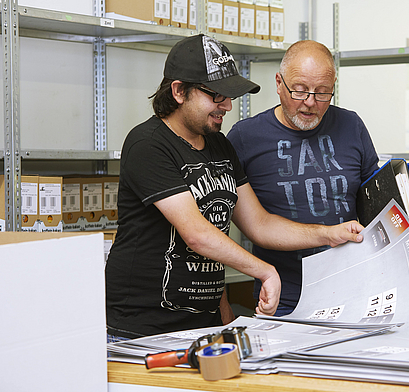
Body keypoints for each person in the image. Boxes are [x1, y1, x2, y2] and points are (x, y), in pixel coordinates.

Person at [105, 34, 365, 341]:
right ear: (179, 91)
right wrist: (265, 270)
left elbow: (259, 223)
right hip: (141, 329)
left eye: (229, 96)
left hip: (203, 324)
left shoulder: (219, 145)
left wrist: (326, 233)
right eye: (216, 95)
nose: (227, 106)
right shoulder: (148, 144)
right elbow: (198, 234)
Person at [227, 40, 380, 316]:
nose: (310, 103)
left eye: (323, 93)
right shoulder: (244, 138)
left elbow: (375, 200)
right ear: (279, 83)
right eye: (299, 91)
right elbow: (251, 224)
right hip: (284, 298)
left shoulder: (351, 125)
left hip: (355, 291)